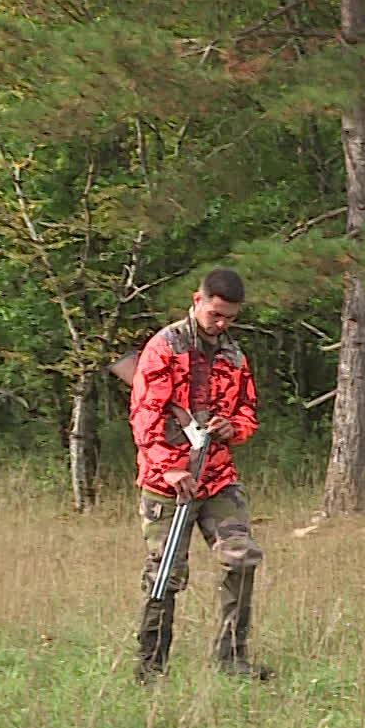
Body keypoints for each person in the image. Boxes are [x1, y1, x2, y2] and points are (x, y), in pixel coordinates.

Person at [128, 268, 270, 683]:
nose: (221, 323)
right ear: (197, 300)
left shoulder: (234, 356)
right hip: (167, 483)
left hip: (217, 477)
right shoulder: (163, 348)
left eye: (230, 317)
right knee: (165, 573)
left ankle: (231, 658)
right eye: (215, 314)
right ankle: (151, 667)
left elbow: (248, 412)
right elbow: (144, 415)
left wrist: (235, 427)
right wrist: (169, 468)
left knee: (242, 559)